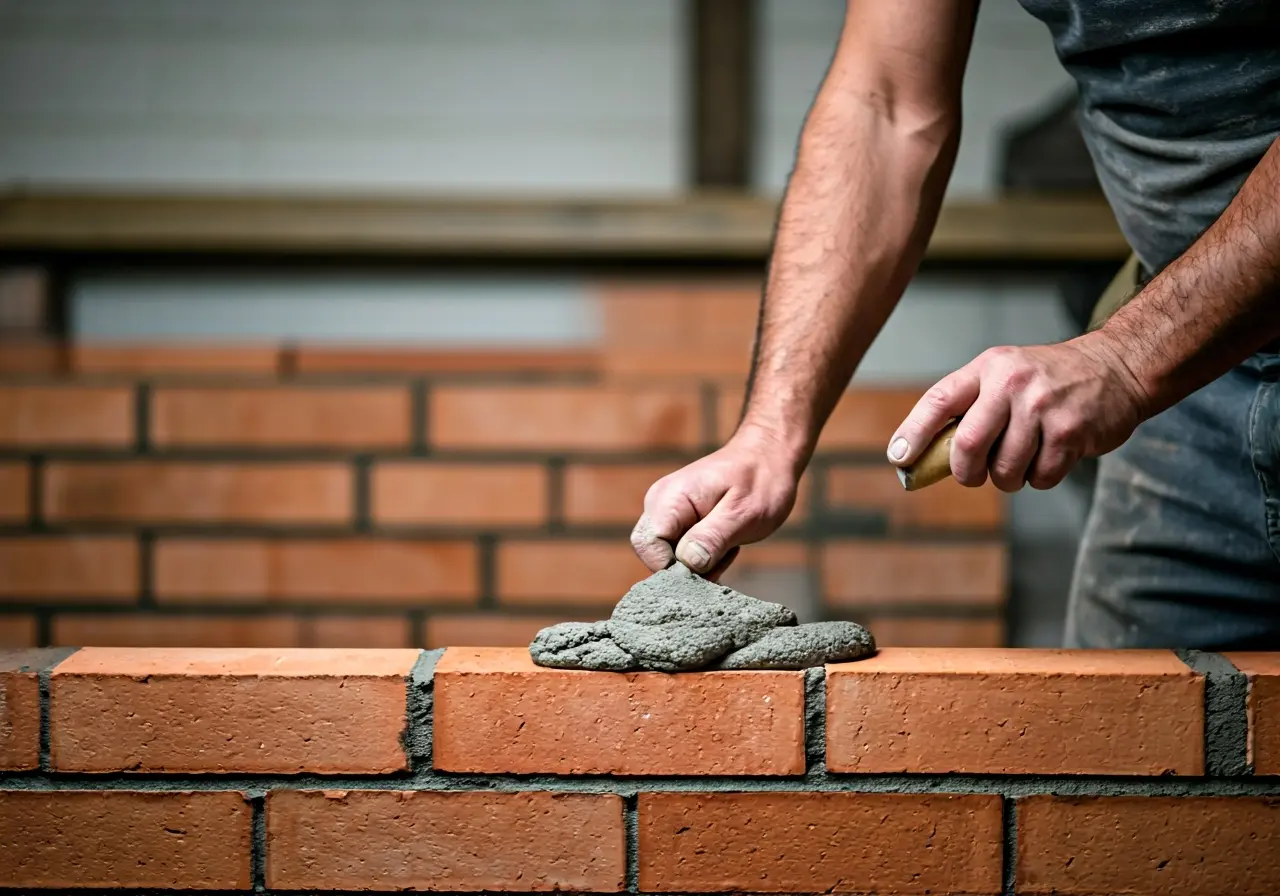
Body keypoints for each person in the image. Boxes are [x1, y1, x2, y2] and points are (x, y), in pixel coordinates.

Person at [630, 0, 1280, 650]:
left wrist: (1127, 359)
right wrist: (770, 435)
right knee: (1132, 735)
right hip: (1190, 403)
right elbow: (884, 104)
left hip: (1161, 364)